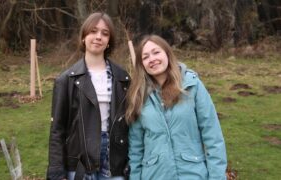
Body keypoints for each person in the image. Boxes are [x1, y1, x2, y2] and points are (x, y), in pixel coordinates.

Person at [126, 35, 227, 180]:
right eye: (145, 57)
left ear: (167, 53)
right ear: (142, 64)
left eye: (156, 52)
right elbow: (135, 149)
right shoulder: (139, 95)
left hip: (193, 174)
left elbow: (213, 136)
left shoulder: (192, 86)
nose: (152, 59)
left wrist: (217, 177)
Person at [47, 12, 130, 180]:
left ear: (109, 42)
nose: (98, 37)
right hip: (79, 161)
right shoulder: (66, 80)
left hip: (114, 161)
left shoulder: (123, 78)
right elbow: (57, 130)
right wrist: (56, 170)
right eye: (93, 31)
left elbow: (130, 124)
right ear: (84, 37)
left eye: (105, 33)